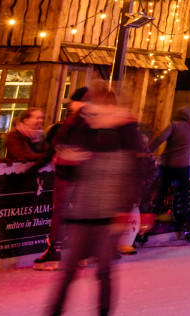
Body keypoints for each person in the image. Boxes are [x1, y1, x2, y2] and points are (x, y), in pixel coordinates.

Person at [44, 83, 148, 316]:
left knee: (103, 270)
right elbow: (66, 165)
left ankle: (102, 312)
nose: (96, 109)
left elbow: (137, 172)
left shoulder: (126, 131)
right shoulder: (85, 128)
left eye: (101, 103)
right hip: (83, 211)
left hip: (110, 213)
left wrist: (124, 209)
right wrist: (66, 160)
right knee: (70, 271)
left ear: (111, 104)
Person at [34, 87, 92, 270]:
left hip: (67, 172)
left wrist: (37, 166)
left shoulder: (72, 122)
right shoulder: (95, 123)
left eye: (72, 102)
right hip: (85, 174)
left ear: (78, 103)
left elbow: (56, 144)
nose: (70, 106)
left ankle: (54, 252)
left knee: (60, 211)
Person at [147, 107, 190, 242]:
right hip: (183, 166)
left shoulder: (174, 126)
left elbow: (160, 138)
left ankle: (151, 221)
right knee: (185, 197)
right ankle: (185, 224)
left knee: (161, 193)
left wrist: (148, 150)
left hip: (169, 165)